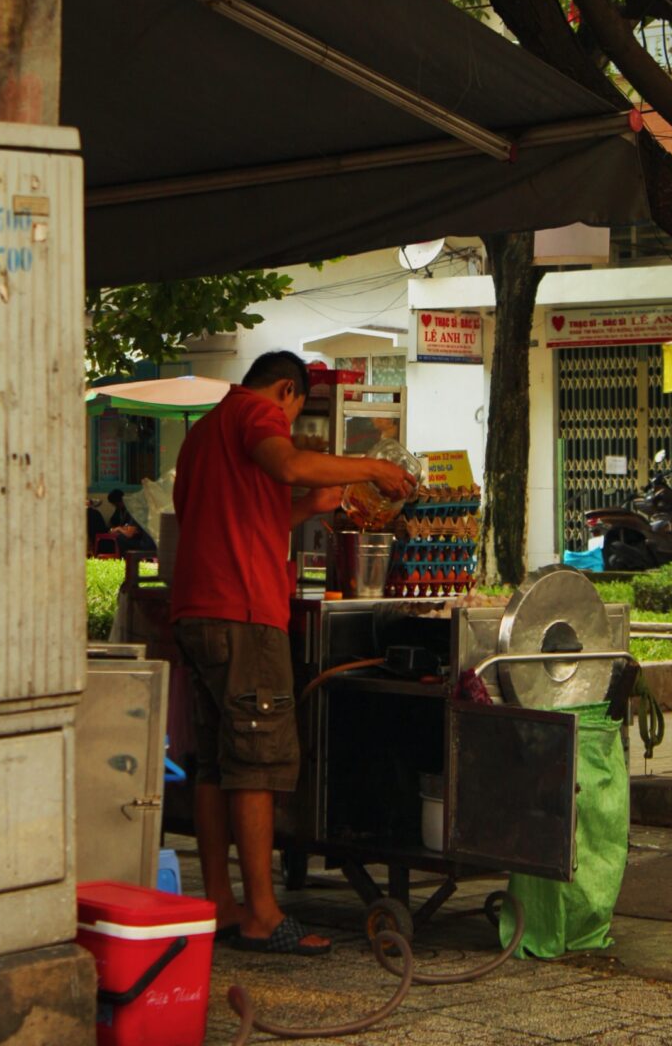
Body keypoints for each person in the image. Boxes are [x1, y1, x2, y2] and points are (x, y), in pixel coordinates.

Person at [170, 350, 415, 955]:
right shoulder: (255, 414)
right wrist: (371, 468)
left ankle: (221, 903)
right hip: (243, 611)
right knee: (256, 760)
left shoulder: (204, 433)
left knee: (215, 764)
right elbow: (287, 463)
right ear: (286, 391)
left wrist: (307, 507)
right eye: (294, 411)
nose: (286, 424)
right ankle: (262, 913)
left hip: (198, 609)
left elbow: (241, 519)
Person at [106, 488, 156, 557]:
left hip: (146, 545)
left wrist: (119, 529)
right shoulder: (148, 512)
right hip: (153, 544)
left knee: (120, 538)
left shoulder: (137, 512)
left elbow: (129, 534)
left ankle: (125, 559)